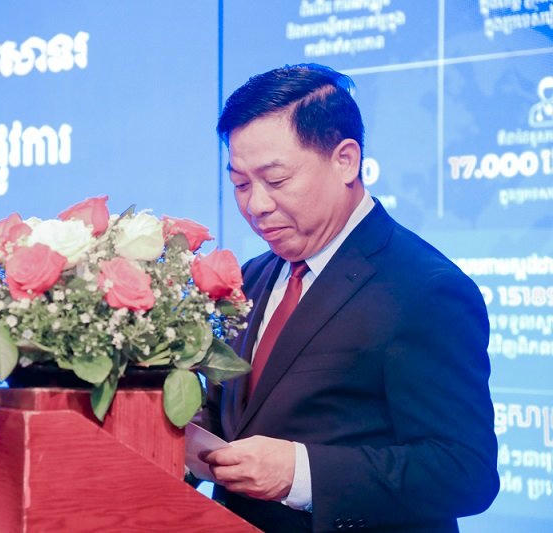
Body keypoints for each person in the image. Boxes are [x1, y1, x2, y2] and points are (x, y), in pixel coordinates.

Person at [196, 64, 499, 532]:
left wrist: (301, 474)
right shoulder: (252, 277)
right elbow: (233, 415)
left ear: (345, 161)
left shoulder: (425, 288)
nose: (256, 205)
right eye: (240, 184)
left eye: (276, 180)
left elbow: (464, 471)